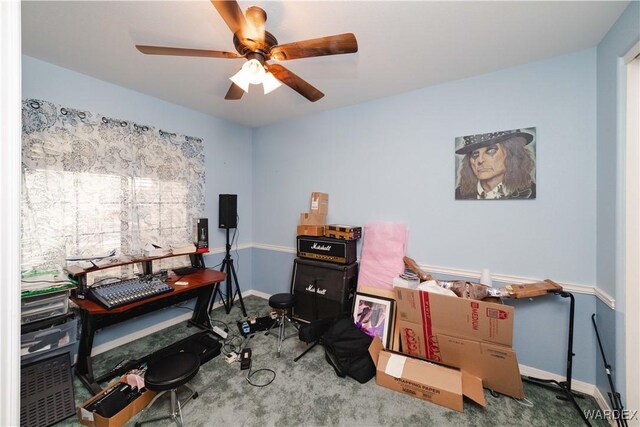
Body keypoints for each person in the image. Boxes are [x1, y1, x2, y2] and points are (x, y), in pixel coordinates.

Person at [455, 129, 536, 199]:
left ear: (511, 154)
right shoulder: (459, 195)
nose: (480, 160)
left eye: (490, 151)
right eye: (475, 154)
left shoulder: (532, 192)